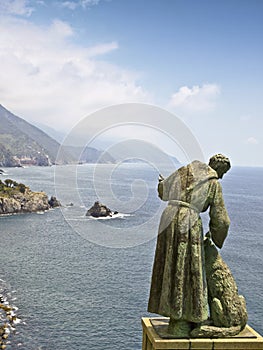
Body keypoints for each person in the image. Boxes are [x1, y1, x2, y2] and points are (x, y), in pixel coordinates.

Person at [148, 154, 231, 337]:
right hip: (188, 222)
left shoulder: (184, 170)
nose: (222, 177)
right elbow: (222, 220)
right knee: (187, 270)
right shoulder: (213, 183)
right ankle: (183, 321)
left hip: (169, 218)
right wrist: (216, 238)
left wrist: (162, 182)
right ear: (220, 169)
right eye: (223, 173)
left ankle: (177, 317)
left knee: (171, 267)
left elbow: (163, 191)